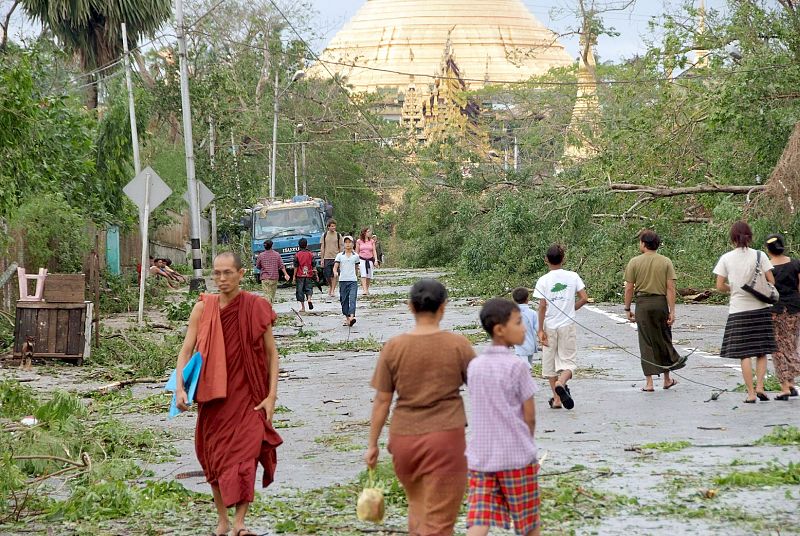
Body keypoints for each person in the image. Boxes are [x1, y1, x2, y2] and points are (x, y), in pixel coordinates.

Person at [174, 252, 282, 536]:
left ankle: (240, 523)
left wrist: (271, 396)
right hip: (214, 398)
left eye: (227, 273)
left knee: (245, 457)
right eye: (217, 273)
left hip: (248, 396)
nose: (221, 279)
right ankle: (222, 521)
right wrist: (179, 388)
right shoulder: (203, 308)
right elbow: (186, 350)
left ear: (241, 273)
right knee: (216, 459)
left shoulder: (256, 306)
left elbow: (272, 354)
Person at [365, 279, 475, 536]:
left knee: (417, 508)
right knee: (440, 522)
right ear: (443, 307)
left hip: (404, 439)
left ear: (410, 307)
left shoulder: (394, 347)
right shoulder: (459, 345)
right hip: (445, 438)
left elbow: (382, 401)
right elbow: (480, 391)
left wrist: (372, 445)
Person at [467, 298, 540, 536]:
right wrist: (528, 445)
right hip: (515, 457)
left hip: (481, 456)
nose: (524, 328)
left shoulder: (475, 366)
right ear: (500, 330)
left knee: (480, 517)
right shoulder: (517, 366)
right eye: (518, 323)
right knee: (527, 521)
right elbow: (529, 415)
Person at [713, 221, 777, 403]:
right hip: (760, 309)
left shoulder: (726, 258)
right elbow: (771, 280)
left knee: (744, 354)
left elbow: (719, 286)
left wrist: (732, 288)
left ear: (733, 238)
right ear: (750, 236)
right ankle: (760, 387)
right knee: (762, 351)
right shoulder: (760, 255)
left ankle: (750, 393)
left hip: (738, 310)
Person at [624, 230, 687, 392]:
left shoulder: (634, 262)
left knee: (646, 342)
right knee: (663, 339)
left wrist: (627, 308)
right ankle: (667, 379)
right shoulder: (666, 262)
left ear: (644, 244)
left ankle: (649, 383)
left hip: (643, 304)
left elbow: (629, 287)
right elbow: (670, 288)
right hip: (660, 304)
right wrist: (672, 311)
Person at [533, 244, 588, 410]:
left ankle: (557, 399)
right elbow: (584, 298)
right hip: (567, 325)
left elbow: (541, 306)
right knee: (568, 363)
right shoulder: (573, 276)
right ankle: (561, 382)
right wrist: (572, 308)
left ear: (546, 260)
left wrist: (540, 330)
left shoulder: (543, 280)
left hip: (549, 326)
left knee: (550, 365)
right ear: (563, 259)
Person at [764, 234, 800, 400]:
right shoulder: (795, 264)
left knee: (777, 348)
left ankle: (785, 386)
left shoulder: (768, 268)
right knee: (791, 344)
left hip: (776, 311)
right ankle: (790, 384)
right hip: (795, 309)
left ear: (768, 250)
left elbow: (767, 291)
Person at [334, 236, 360, 327]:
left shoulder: (356, 256)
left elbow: (356, 268)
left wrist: (356, 276)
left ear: (353, 244)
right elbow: (336, 267)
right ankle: (347, 318)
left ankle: (352, 317)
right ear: (344, 244)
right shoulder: (340, 255)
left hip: (353, 281)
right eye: (346, 242)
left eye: (350, 242)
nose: (348, 244)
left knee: (352, 298)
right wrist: (335, 272)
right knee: (344, 300)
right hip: (343, 281)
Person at [512, 287, 539, 368]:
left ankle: (526, 372)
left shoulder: (511, 313)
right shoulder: (533, 313)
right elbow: (538, 328)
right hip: (531, 343)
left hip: (519, 343)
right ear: (528, 299)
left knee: (524, 364)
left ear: (514, 300)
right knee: (529, 362)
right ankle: (527, 376)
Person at [292, 238, 317, 313]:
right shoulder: (310, 254)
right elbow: (314, 265)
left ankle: (303, 307)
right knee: (309, 288)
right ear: (306, 245)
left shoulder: (297, 255)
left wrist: (294, 277)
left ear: (299, 245)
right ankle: (309, 299)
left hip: (300, 275)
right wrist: (316, 275)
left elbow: (296, 267)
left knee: (300, 291)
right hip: (309, 274)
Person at [321, 219, 343, 298]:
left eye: (334, 226)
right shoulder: (324, 235)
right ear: (328, 227)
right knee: (327, 275)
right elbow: (322, 247)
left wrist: (341, 258)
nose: (334, 228)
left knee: (335, 274)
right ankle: (331, 286)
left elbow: (341, 247)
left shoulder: (338, 235)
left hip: (336, 257)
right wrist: (322, 259)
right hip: (327, 257)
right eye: (332, 226)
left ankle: (333, 290)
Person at [356, 228, 377, 296]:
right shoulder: (359, 241)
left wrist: (376, 260)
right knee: (363, 274)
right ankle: (364, 289)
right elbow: (357, 252)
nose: (369, 233)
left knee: (369, 275)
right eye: (368, 232)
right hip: (361, 259)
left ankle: (367, 288)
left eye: (369, 232)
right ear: (364, 233)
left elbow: (374, 251)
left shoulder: (372, 241)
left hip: (370, 259)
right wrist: (356, 262)